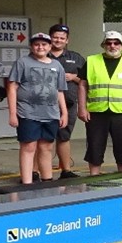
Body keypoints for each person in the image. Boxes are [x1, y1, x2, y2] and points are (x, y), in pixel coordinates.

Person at [77, 30, 122, 174]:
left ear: (121, 46)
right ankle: (93, 179)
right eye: (109, 43)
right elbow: (83, 85)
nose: (112, 46)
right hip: (97, 112)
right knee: (94, 149)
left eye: (116, 43)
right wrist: (82, 108)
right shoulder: (91, 61)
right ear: (103, 45)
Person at [6, 32, 68, 184]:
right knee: (29, 147)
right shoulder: (22, 62)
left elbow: (59, 90)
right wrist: (13, 113)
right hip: (27, 113)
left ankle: (47, 180)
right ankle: (27, 183)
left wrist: (64, 113)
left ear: (50, 46)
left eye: (44, 44)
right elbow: (12, 87)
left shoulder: (57, 65)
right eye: (36, 44)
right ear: (31, 46)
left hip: (51, 113)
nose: (40, 47)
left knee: (46, 147)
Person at [48, 23, 82, 178]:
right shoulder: (40, 55)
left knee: (64, 137)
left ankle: (66, 171)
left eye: (62, 38)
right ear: (50, 38)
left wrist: (74, 77)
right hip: (44, 106)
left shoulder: (76, 58)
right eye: (55, 37)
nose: (58, 40)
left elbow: (86, 80)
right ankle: (35, 172)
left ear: (67, 40)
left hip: (68, 105)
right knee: (43, 140)